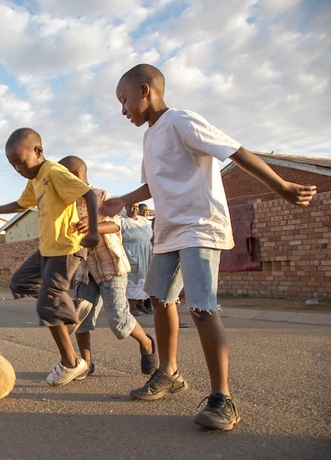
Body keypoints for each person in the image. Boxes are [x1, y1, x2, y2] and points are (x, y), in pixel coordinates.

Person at [103, 63, 317, 431]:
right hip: (169, 229)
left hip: (200, 225)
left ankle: (223, 398)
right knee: (159, 299)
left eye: (124, 101)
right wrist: (121, 200)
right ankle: (168, 373)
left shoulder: (183, 121)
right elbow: (152, 186)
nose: (123, 110)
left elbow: (236, 151)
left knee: (201, 307)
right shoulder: (149, 136)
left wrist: (280, 185)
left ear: (144, 90)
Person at [0, 128, 100, 387]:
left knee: (46, 306)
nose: (18, 169)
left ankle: (71, 363)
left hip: (66, 248)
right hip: (48, 250)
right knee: (19, 282)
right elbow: (20, 205)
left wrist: (94, 230)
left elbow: (88, 193)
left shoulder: (53, 172)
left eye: (21, 161)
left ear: (38, 152)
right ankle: (70, 307)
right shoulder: (35, 180)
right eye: (12, 165)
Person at [58, 156, 157, 379]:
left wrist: (93, 226)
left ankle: (147, 343)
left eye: (62, 177)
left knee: (119, 321)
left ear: (74, 176)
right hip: (85, 269)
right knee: (80, 319)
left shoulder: (100, 196)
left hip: (110, 266)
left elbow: (115, 226)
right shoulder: (67, 205)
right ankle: (86, 363)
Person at [120, 203, 154, 315]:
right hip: (131, 254)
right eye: (131, 206)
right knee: (132, 281)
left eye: (136, 206)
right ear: (126, 208)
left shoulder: (144, 221)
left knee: (144, 280)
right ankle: (132, 306)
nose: (134, 208)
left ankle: (141, 303)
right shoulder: (122, 221)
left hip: (145, 254)